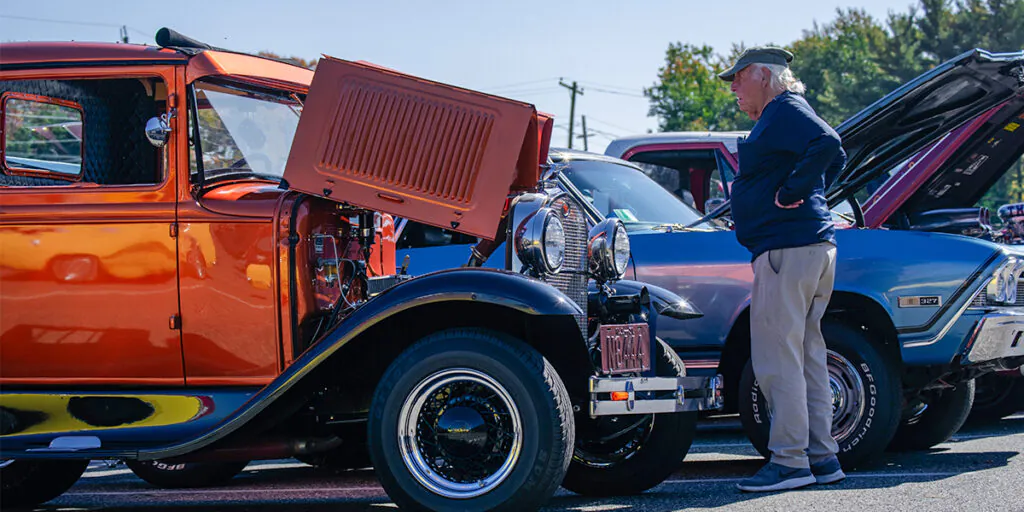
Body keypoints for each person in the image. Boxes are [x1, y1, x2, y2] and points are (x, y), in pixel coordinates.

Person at [718, 47, 847, 492]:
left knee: (778, 359)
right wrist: (805, 193)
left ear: (762, 75)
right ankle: (822, 458)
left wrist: (793, 193)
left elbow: (830, 144)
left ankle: (790, 463)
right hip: (807, 247)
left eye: (738, 77)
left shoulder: (784, 108)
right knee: (806, 357)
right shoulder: (786, 112)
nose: (733, 87)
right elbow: (833, 157)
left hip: (786, 251)